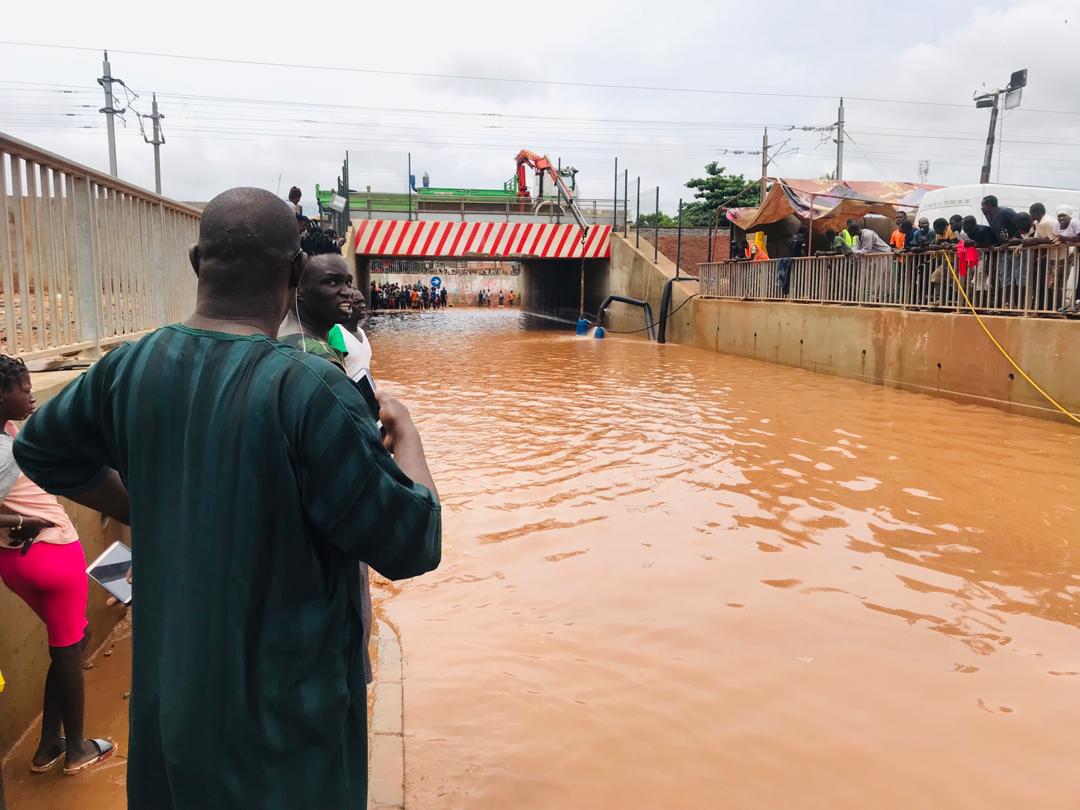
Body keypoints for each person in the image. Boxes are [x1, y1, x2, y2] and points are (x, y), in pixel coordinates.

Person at [13, 188, 441, 809]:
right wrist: (409, 438)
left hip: (173, 728)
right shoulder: (311, 390)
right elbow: (411, 541)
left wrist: (150, 508)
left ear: (195, 262)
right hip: (287, 742)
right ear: (294, 274)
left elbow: (43, 451)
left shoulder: (128, 369)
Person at [0, 357, 116, 777]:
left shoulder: (8, 430)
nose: (31, 393)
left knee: (74, 638)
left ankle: (50, 742)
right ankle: (77, 750)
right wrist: (21, 520)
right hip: (52, 551)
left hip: (15, 561)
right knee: (68, 649)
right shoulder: (4, 450)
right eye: (22, 386)